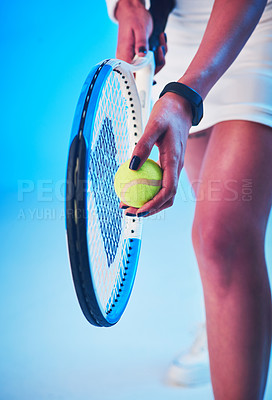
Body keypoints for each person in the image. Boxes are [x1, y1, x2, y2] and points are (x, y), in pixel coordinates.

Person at [106, 0, 272, 398]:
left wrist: (184, 94)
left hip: (255, 25)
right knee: (222, 249)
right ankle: (222, 325)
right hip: (179, 38)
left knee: (221, 237)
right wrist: (128, 5)